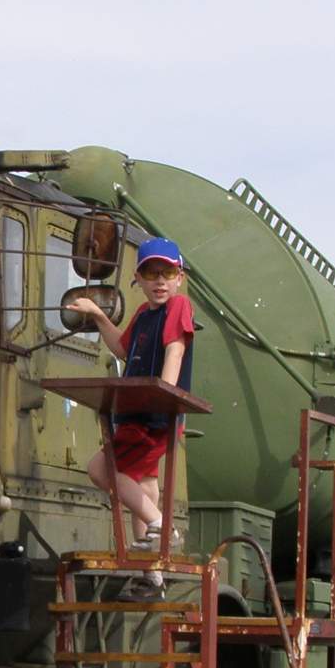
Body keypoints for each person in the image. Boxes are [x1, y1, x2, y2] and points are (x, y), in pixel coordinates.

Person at [66, 237, 195, 573]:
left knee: (100, 470)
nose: (160, 281)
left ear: (179, 277)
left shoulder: (178, 308)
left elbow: (175, 349)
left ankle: (162, 527)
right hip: (138, 412)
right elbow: (122, 350)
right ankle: (150, 572)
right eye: (151, 274)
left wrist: (163, 394)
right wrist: (97, 315)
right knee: (145, 488)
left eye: (167, 273)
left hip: (153, 415)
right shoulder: (141, 314)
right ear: (138, 279)